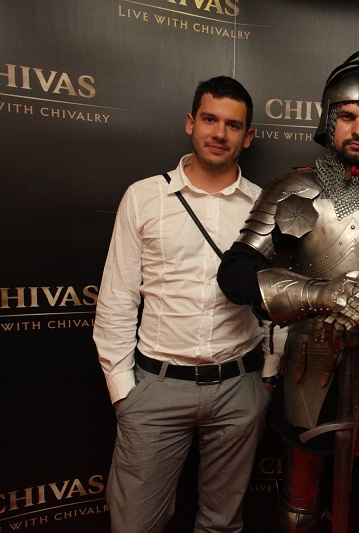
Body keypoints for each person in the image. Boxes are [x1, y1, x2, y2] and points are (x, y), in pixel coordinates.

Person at [217, 48, 359, 532]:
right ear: (328, 119)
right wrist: (322, 294)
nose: (358, 129)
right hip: (309, 363)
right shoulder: (291, 188)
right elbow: (237, 271)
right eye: (347, 116)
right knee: (298, 512)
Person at [93, 76, 270, 533]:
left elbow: (277, 299)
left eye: (233, 125)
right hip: (156, 387)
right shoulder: (144, 197)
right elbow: (116, 299)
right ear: (191, 123)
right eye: (210, 119)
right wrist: (124, 392)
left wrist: (267, 377)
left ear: (248, 136)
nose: (219, 133)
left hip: (239, 387)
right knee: (135, 525)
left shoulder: (264, 206)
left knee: (221, 525)